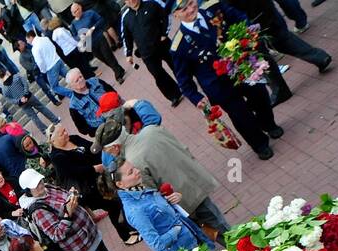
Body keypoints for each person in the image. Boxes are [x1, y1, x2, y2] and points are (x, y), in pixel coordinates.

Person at [168, 0, 282, 159]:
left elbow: (238, 16)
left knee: (260, 95)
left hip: (241, 67)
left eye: (192, 2)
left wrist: (247, 31)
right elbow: (183, 79)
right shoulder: (178, 46)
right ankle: (259, 144)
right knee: (241, 115)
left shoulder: (212, 8)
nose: (191, 9)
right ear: (176, 15)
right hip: (218, 86)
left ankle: (268, 124)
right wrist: (196, 98)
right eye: (184, 9)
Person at [93, 112, 230, 236]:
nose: (107, 153)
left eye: (107, 150)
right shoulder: (151, 130)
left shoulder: (131, 163)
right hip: (195, 183)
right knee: (221, 226)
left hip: (185, 204)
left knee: (221, 234)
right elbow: (183, 148)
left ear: (115, 146)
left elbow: (154, 194)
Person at [19, 168, 123, 251]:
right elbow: (56, 235)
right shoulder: (38, 211)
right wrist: (68, 213)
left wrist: (72, 194)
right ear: (28, 191)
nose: (40, 185)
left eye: (39, 181)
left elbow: (65, 198)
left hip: (91, 233)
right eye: (35, 185)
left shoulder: (47, 188)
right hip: (80, 245)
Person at [47, 121, 140, 245]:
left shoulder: (73, 138)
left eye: (64, 130)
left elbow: (92, 149)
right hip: (87, 189)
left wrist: (106, 156)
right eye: (61, 133)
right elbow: (74, 172)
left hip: (101, 179)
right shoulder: (57, 156)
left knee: (118, 201)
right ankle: (125, 236)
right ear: (53, 141)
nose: (66, 133)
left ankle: (130, 227)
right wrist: (96, 168)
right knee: (113, 205)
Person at [115, 159, 214, 251]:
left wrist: (174, 198)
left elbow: (161, 212)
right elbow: (157, 244)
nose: (137, 171)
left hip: (190, 243)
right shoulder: (135, 211)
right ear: (120, 184)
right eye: (131, 172)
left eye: (134, 167)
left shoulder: (140, 189)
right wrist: (176, 229)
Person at [119, 0, 185, 105]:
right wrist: (128, 54)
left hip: (163, 44)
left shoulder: (151, 3)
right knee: (159, 76)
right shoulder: (125, 17)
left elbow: (165, 15)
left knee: (176, 65)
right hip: (146, 53)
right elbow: (126, 37)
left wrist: (164, 33)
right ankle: (174, 95)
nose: (131, 1)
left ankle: (186, 84)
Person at [70, 2, 130, 79]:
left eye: (77, 9)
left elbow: (101, 20)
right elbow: (74, 36)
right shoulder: (73, 24)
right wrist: (80, 37)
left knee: (108, 56)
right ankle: (118, 69)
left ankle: (118, 75)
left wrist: (92, 28)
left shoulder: (90, 13)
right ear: (72, 14)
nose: (77, 12)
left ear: (80, 7)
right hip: (89, 44)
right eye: (74, 12)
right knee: (103, 59)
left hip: (99, 38)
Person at [0, 66, 63, 136]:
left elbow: (9, 99)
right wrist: (25, 94)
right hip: (29, 97)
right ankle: (55, 120)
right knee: (42, 108)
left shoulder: (4, 89)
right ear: (6, 72)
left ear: (1, 78)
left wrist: (19, 101)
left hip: (22, 104)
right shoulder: (16, 77)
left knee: (34, 117)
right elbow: (25, 84)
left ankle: (45, 131)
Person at [62, 67, 121, 134]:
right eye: (77, 80)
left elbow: (112, 92)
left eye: (80, 77)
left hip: (118, 112)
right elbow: (82, 128)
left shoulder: (95, 81)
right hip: (104, 130)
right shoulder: (74, 106)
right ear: (71, 86)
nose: (80, 80)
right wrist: (96, 131)